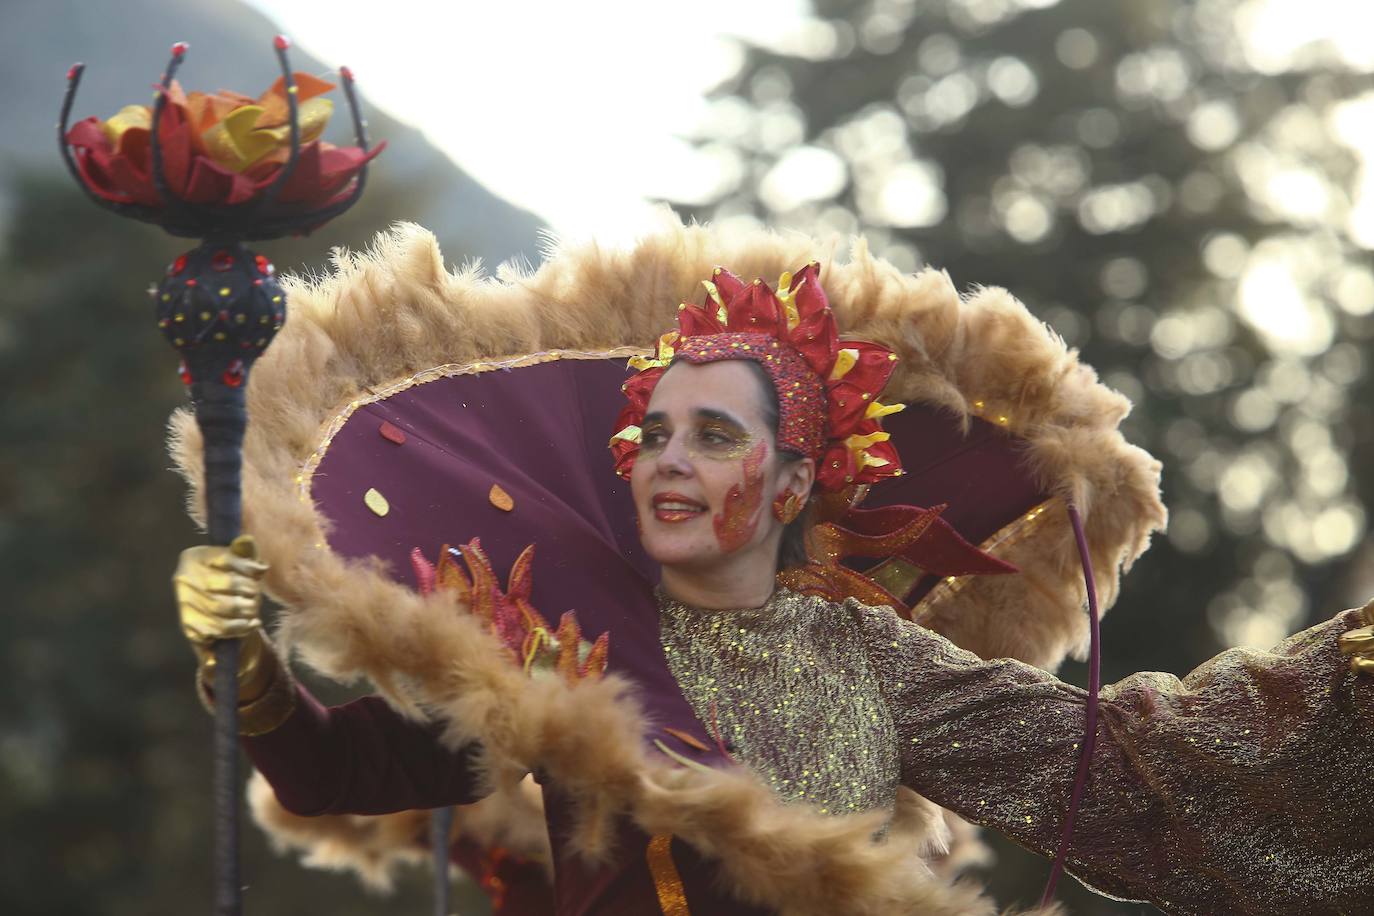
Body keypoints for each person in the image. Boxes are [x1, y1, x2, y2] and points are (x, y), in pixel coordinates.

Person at [173, 234, 1374, 915]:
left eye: (716, 437)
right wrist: (246, 668)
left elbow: (1115, 771)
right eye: (654, 433)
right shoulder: (551, 629)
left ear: (794, 487)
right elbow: (340, 770)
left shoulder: (867, 658)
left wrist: (1349, 675)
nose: (670, 463)